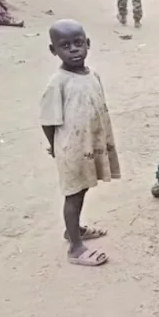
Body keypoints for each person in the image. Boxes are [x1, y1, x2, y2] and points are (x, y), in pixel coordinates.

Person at [39, 19, 121, 267]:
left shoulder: (92, 75)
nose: (73, 49)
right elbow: (47, 120)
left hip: (88, 145)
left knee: (82, 189)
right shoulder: (58, 83)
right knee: (73, 194)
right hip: (71, 148)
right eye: (65, 46)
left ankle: (73, 230)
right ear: (54, 50)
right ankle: (75, 248)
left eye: (78, 43)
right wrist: (55, 147)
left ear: (88, 44)